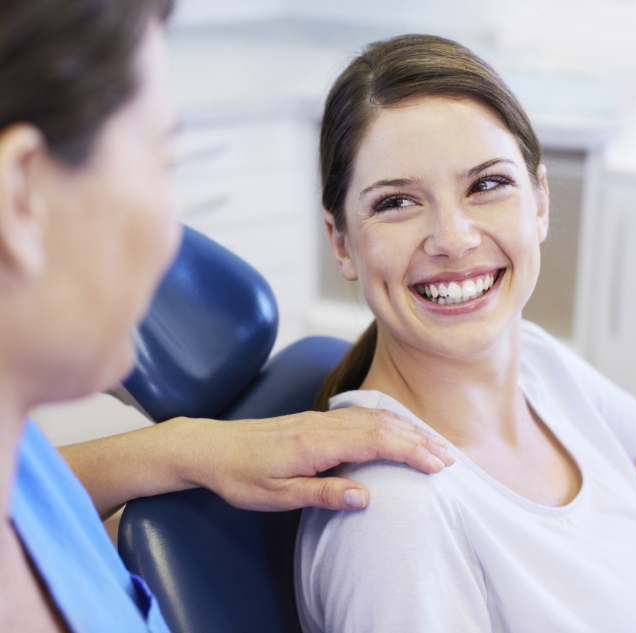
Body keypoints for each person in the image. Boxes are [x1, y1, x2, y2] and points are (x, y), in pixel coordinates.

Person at [0, 3, 455, 630]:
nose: (173, 240)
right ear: (21, 196)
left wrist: (184, 448)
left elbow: (42, 489)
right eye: (162, 163)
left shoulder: (22, 469)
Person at [295, 34, 636, 632]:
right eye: (398, 202)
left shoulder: (539, 364)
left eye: (486, 185)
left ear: (539, 201)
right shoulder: (395, 518)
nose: (454, 239)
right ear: (341, 241)